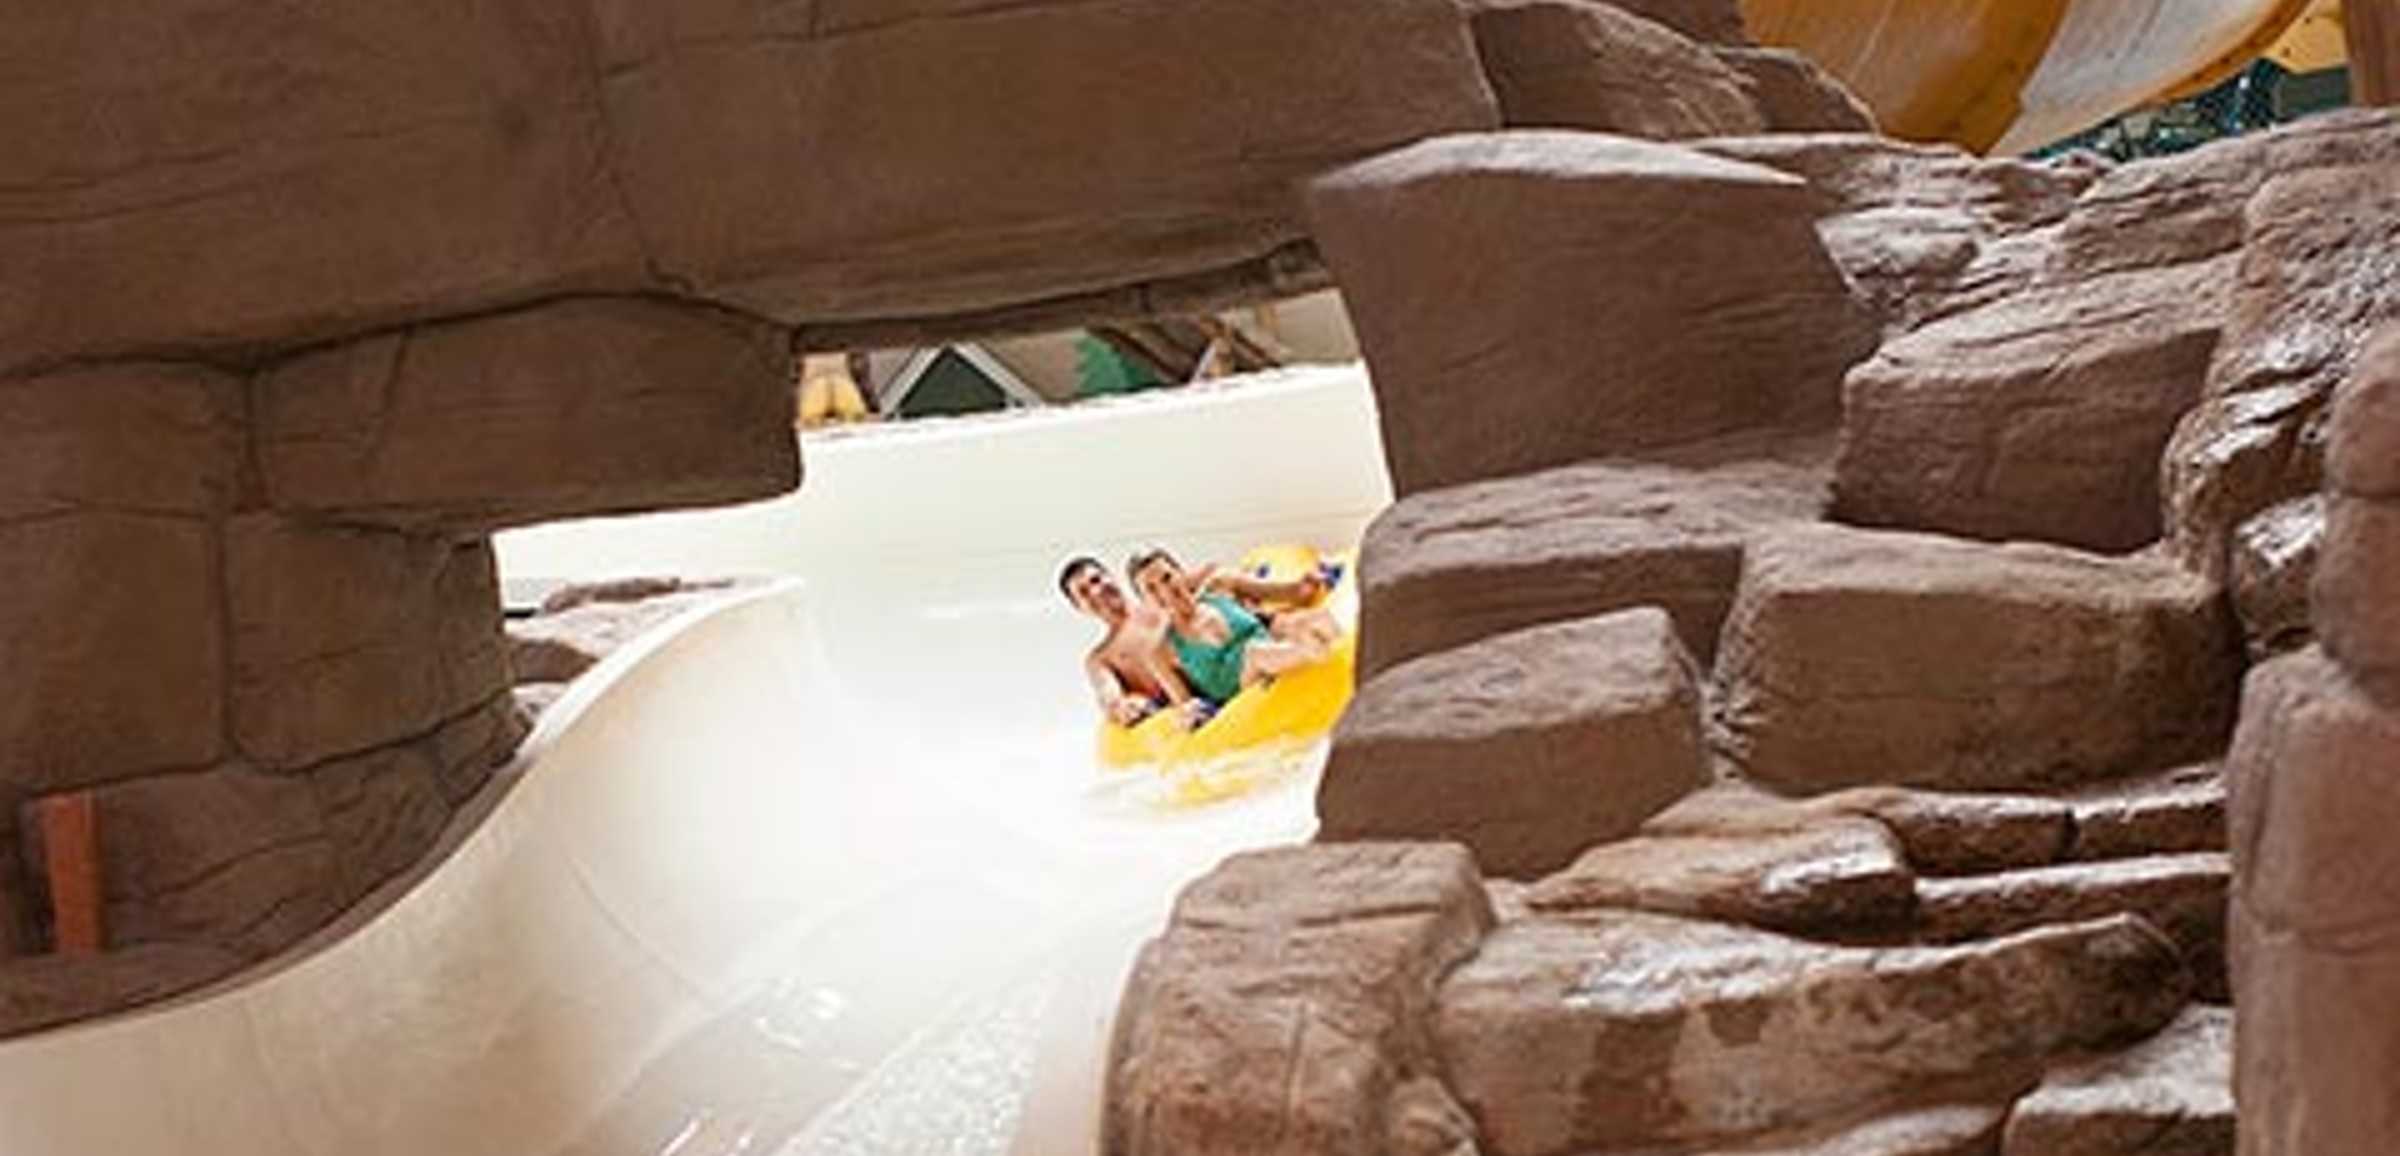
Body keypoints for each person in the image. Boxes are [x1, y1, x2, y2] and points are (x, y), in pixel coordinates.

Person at [1128, 547, 1339, 706]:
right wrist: (1188, 713)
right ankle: (1311, 650)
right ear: (1145, 602)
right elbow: (1186, 705)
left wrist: (1309, 583)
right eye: (1152, 589)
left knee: (1310, 619)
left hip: (1275, 650)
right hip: (1245, 690)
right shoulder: (1159, 651)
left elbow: (1290, 592)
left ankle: (1344, 657)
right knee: (1254, 653)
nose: (1166, 590)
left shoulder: (1220, 586)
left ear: (1181, 573)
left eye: (1167, 577)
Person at [1057, 556, 1196, 726]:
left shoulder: (1160, 601)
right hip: (1177, 717)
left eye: (1096, 580)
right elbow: (1109, 695)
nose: (1096, 591)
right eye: (1084, 592)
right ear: (1079, 608)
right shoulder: (1101, 658)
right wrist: (1122, 705)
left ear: (1113, 577)